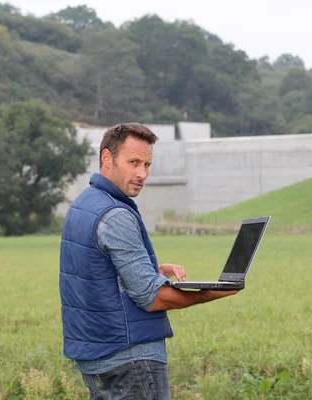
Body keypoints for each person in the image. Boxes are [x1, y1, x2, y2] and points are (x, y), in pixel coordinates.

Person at [59, 123, 238, 400]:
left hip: (96, 358)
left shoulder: (83, 205)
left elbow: (96, 271)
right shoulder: (115, 214)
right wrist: (207, 294)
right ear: (107, 158)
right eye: (133, 162)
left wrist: (149, 270)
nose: (142, 173)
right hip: (130, 359)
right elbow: (150, 297)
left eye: (147, 164)